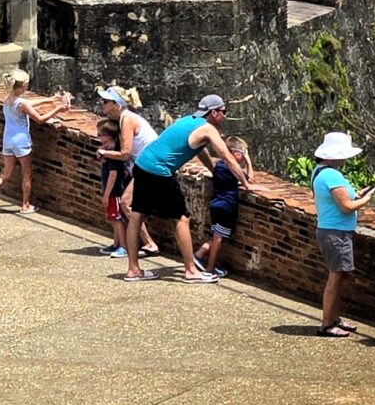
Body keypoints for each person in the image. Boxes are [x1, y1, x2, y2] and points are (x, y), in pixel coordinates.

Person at [123, 94, 254, 283]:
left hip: (143, 163)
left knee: (137, 216)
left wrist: (212, 170)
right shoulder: (208, 129)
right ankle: (191, 271)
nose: (225, 116)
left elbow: (199, 149)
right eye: (224, 112)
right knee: (182, 219)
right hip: (159, 171)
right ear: (215, 112)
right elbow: (227, 157)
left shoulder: (188, 120)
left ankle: (133, 270)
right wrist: (246, 183)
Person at [311, 131, 375, 337]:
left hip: (332, 230)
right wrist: (366, 200)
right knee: (336, 277)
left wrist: (357, 195)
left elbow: (338, 199)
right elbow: (347, 207)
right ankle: (327, 325)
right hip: (335, 232)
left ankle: (333, 318)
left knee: (339, 276)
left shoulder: (321, 171)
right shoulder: (332, 175)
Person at [0, 68, 68, 215]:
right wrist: (57, 109)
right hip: (21, 142)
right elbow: (39, 119)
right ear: (20, 87)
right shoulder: (21, 103)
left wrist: (50, 99)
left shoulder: (8, 99)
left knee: (6, 173)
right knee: (27, 174)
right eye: (25, 85)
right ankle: (26, 205)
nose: (27, 87)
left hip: (7, 139)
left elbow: (28, 103)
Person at [95, 86, 159, 256]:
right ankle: (123, 242)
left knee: (125, 203)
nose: (102, 104)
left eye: (106, 102)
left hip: (149, 165)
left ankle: (149, 243)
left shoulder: (127, 120)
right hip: (141, 165)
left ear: (116, 104)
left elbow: (125, 153)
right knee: (125, 204)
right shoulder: (123, 119)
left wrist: (104, 152)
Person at [193, 135, 255, 277]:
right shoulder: (231, 169)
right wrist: (249, 162)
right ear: (234, 153)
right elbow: (251, 179)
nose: (243, 156)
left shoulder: (219, 165)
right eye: (242, 153)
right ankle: (210, 268)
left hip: (216, 205)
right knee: (218, 239)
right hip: (226, 206)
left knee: (217, 236)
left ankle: (199, 255)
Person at [96, 119, 128, 257]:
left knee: (116, 219)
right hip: (112, 191)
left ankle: (123, 246)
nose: (98, 136)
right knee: (112, 219)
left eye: (101, 134)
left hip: (114, 191)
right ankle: (116, 243)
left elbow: (113, 175)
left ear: (109, 136)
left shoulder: (113, 153)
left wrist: (106, 195)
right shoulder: (108, 150)